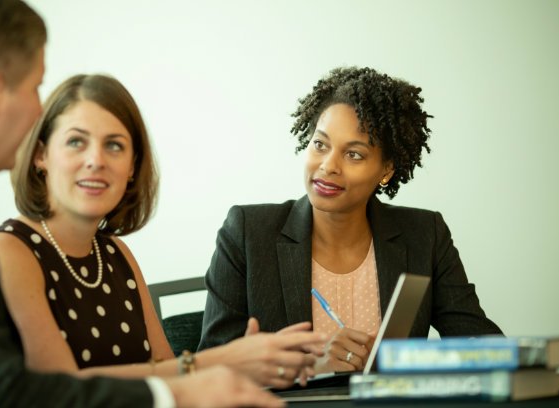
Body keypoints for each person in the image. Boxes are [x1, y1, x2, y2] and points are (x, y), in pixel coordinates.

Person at [0, 1, 286, 407]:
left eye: (114, 145)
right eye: (35, 87)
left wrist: (217, 372)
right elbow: (0, 392)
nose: (36, 110)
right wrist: (194, 381)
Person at [0, 73, 326, 390]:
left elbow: (171, 379)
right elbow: (64, 391)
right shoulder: (10, 251)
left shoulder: (114, 253)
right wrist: (221, 361)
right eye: (76, 141)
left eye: (115, 145)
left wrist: (252, 362)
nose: (96, 160)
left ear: (133, 166)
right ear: (40, 155)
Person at [197, 66, 503, 373]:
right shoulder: (248, 233)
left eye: (353, 154)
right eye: (320, 144)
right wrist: (312, 365)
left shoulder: (424, 235)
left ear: (386, 170)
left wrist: (402, 361)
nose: (328, 165)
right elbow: (209, 367)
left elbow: (483, 347)